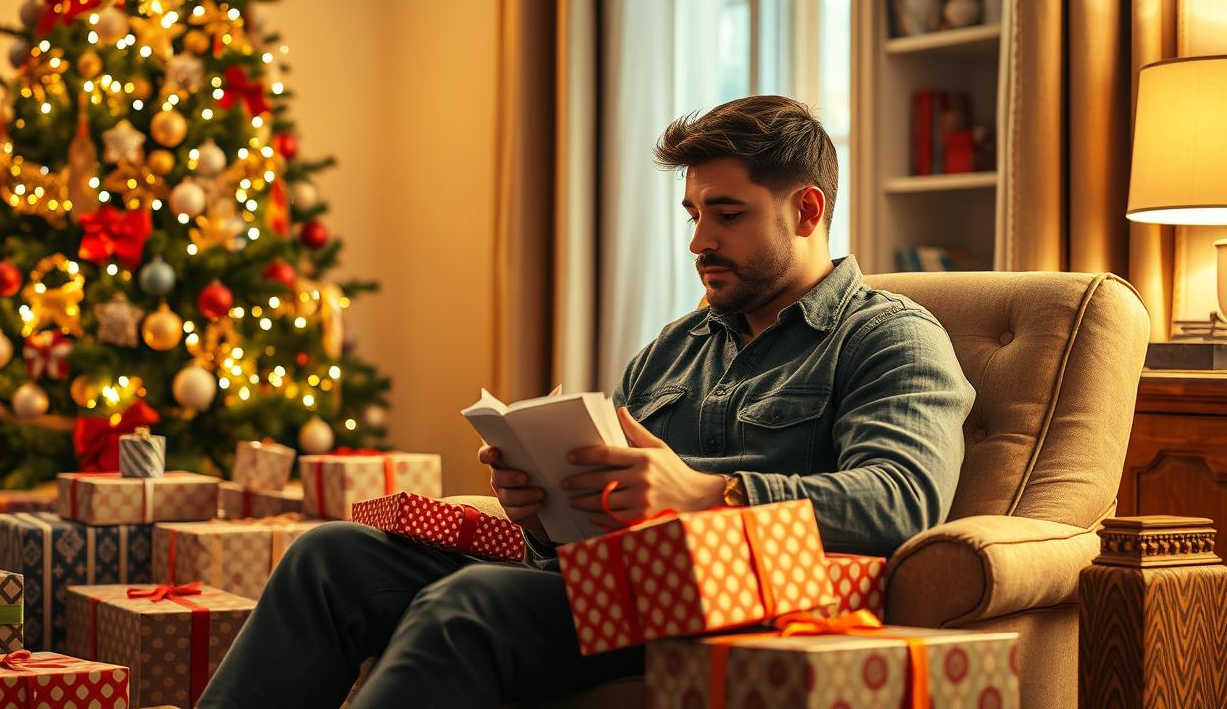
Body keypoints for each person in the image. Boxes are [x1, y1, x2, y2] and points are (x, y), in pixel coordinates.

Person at [198, 95, 974, 709]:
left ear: (806, 210)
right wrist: (539, 508)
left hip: (742, 604)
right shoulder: (674, 349)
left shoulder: (887, 337)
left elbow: (901, 504)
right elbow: (568, 546)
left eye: (727, 214)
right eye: (693, 214)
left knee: (470, 602)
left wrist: (707, 494)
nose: (699, 240)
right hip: (612, 587)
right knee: (329, 557)